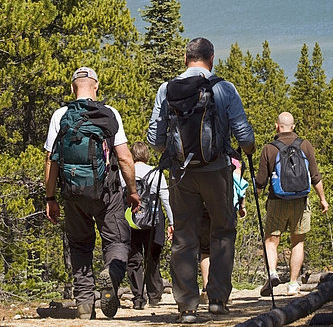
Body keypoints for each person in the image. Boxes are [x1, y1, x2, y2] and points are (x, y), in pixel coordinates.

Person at [148, 37, 255, 323]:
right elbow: (244, 135)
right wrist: (249, 150)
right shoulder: (224, 88)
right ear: (212, 59)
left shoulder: (167, 89)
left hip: (181, 174)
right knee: (222, 230)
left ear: (186, 59)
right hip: (216, 170)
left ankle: (186, 307)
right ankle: (218, 300)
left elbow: (155, 140)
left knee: (184, 237)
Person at [44, 67, 140, 320]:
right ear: (96, 86)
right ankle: (112, 273)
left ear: (72, 87)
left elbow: (51, 160)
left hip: (73, 194)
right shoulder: (109, 114)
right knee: (117, 241)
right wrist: (133, 192)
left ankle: (85, 305)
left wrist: (50, 197)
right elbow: (125, 158)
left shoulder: (60, 115)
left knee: (79, 247)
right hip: (107, 193)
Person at [256, 111, 328, 297]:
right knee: (297, 241)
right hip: (300, 201)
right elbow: (315, 176)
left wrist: (249, 200)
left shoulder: (269, 149)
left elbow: (261, 181)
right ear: (293, 126)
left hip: (277, 200)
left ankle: (272, 273)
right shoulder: (305, 145)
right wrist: (322, 199)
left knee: (271, 241)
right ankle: (293, 284)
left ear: (276, 126)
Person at [123, 141, 174, 310]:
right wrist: (173, 222)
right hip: (154, 220)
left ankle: (138, 297)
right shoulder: (156, 173)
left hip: (131, 219)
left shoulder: (126, 172)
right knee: (153, 258)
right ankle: (154, 295)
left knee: (133, 259)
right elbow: (166, 198)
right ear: (146, 155)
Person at [199, 157, 249, 304]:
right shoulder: (233, 162)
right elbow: (239, 186)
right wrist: (242, 206)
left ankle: (206, 290)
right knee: (224, 248)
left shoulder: (203, 157)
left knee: (206, 250)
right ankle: (221, 292)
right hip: (226, 208)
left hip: (203, 207)